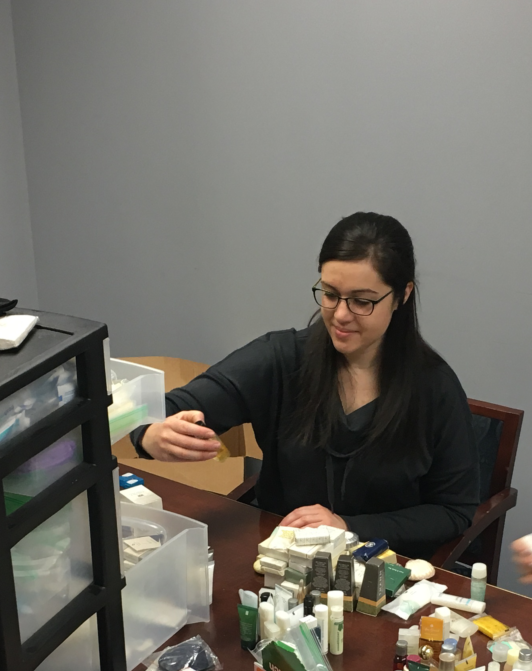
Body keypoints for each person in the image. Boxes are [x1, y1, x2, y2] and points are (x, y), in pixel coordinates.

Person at [132, 212, 480, 559]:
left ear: (402, 295)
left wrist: (346, 526)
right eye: (330, 294)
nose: (341, 315)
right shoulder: (280, 358)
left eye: (362, 301)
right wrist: (149, 433)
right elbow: (169, 409)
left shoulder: (435, 388)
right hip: (279, 560)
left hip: (379, 570)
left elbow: (453, 511)